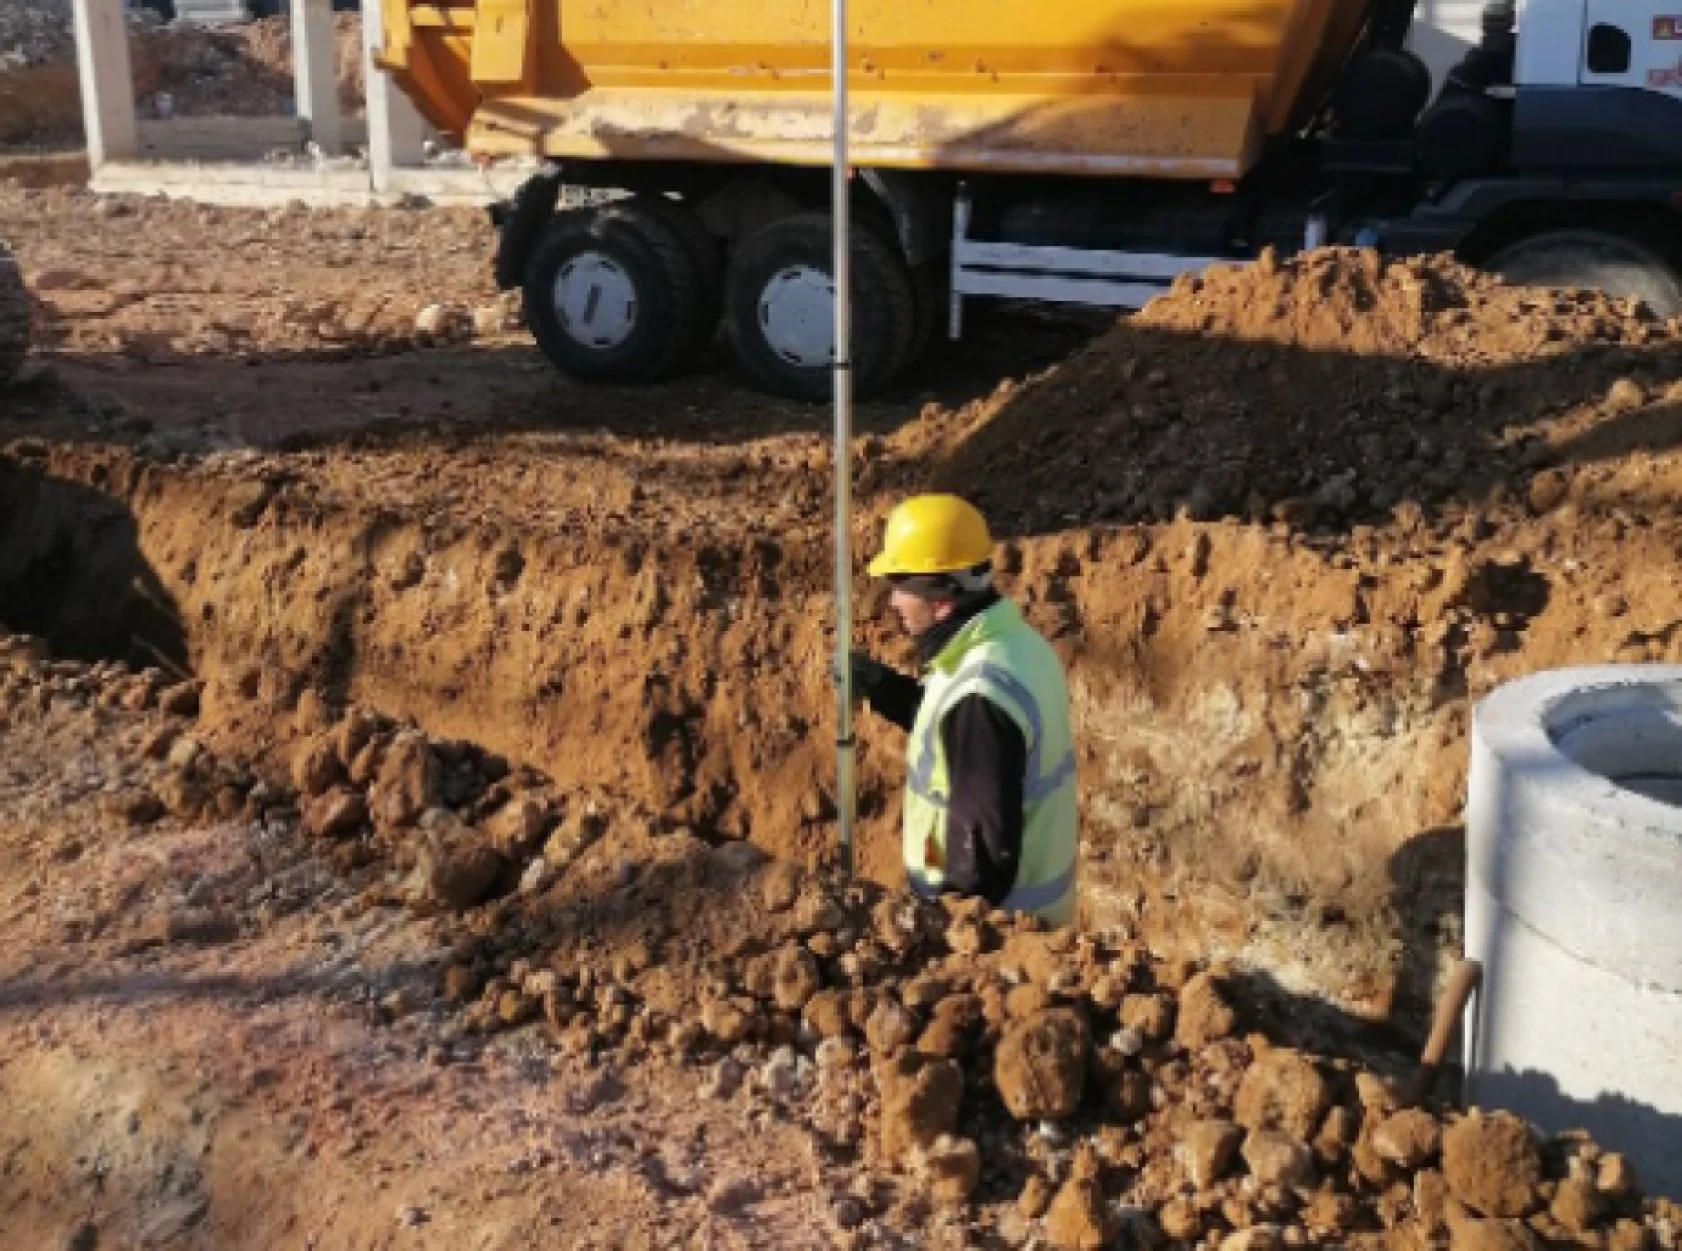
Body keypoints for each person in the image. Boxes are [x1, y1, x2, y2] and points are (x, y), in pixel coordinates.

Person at [851, 494, 1078, 927]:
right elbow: (961, 738)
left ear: (940, 598)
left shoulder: (980, 694)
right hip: (1039, 923)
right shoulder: (1014, 645)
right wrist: (884, 689)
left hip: (1002, 941)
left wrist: (947, 939)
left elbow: (980, 867)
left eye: (900, 585)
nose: (893, 601)